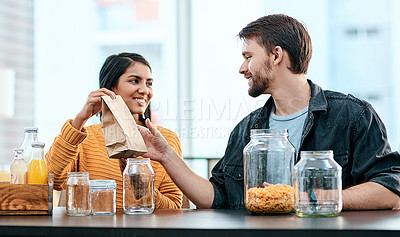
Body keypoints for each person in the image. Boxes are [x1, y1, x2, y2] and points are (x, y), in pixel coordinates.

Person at [135, 14, 400, 210]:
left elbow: (391, 188)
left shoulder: (351, 116)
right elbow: (217, 197)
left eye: (248, 56)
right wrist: (165, 156)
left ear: (276, 55)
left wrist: (317, 197)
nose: (242, 68)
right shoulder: (247, 130)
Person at [46, 52, 183, 209]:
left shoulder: (165, 139)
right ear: (111, 88)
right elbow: (52, 179)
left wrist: (140, 186)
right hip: (94, 230)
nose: (145, 90)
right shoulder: (84, 138)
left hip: (146, 232)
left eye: (149, 83)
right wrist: (80, 120)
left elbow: (173, 209)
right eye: (134, 81)